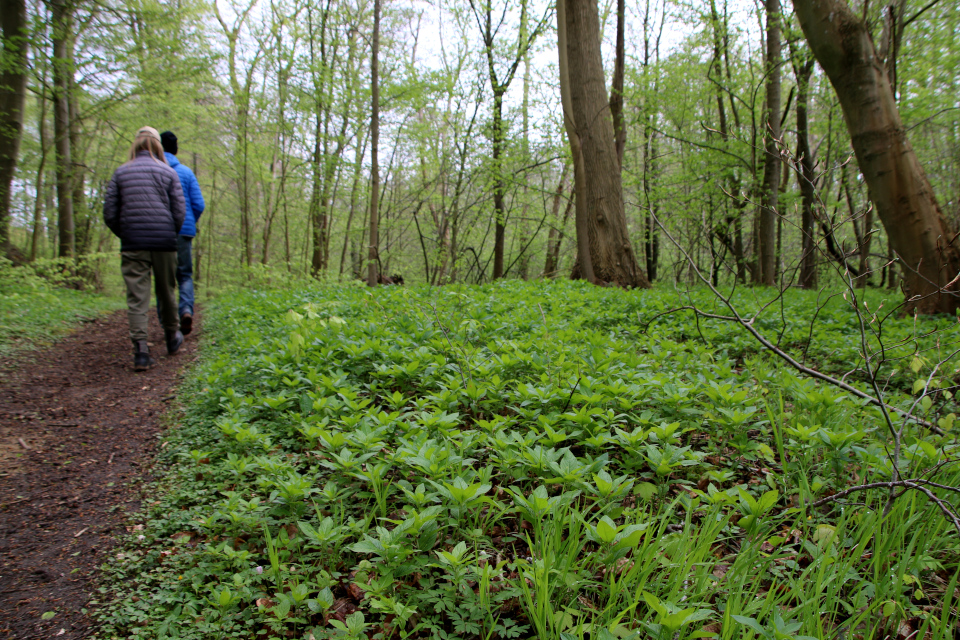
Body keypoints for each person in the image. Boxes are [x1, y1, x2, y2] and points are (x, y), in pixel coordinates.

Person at [103, 126, 185, 371]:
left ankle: (140, 351)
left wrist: (126, 233)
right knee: (167, 290)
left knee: (137, 298)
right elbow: (179, 212)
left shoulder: (121, 173)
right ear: (158, 145)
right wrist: (170, 232)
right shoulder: (168, 172)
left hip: (133, 243)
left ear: (136, 144)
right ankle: (172, 337)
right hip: (164, 242)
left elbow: (109, 213)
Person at [159, 131, 205, 335]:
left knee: (163, 279)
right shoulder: (186, 173)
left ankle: (166, 322)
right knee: (184, 275)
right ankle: (186, 310)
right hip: (183, 232)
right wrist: (189, 223)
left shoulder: (155, 171)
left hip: (159, 232)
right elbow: (199, 204)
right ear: (176, 150)